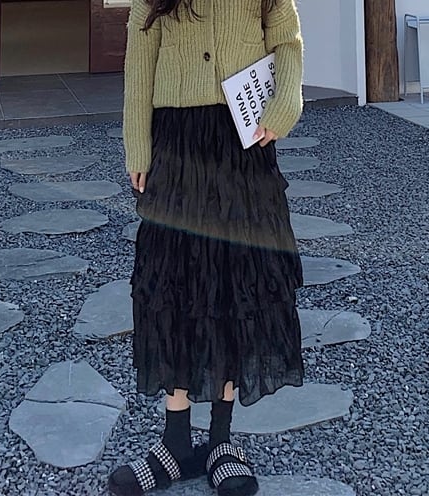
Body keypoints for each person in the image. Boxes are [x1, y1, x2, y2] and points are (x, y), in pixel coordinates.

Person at [108, 1, 305, 495]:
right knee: (173, 283)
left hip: (243, 143)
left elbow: (287, 39)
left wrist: (285, 104)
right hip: (176, 144)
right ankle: (174, 443)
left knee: (233, 284)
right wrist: (137, 145)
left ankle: (221, 440)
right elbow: (140, 58)